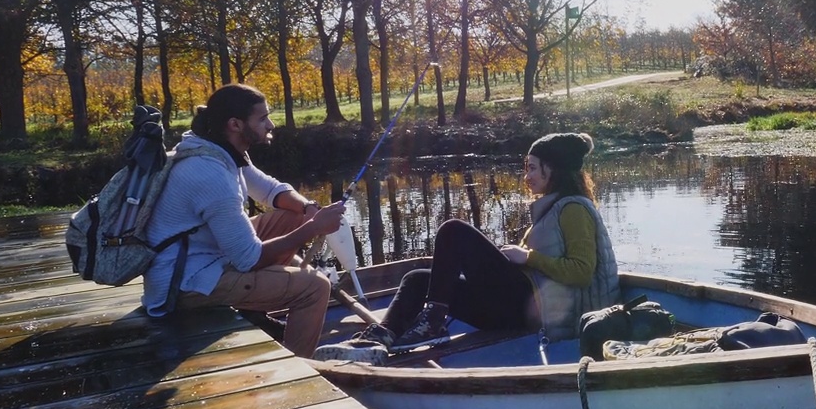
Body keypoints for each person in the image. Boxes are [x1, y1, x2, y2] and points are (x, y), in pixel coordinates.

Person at [142, 83, 346, 357]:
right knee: (315, 287)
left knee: (292, 215)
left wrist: (309, 209)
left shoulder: (215, 147)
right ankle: (303, 369)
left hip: (201, 256)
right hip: (184, 284)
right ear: (236, 124)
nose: (270, 124)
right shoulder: (211, 175)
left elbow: (271, 190)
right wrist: (315, 228)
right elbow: (248, 259)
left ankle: (256, 316)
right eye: (262, 118)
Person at [367, 132, 620, 352]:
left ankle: (431, 324)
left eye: (532, 167)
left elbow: (582, 273)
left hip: (538, 310)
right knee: (417, 279)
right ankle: (380, 339)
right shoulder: (552, 208)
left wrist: (528, 257)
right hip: (519, 306)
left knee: (454, 231)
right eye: (526, 168)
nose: (526, 176)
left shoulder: (574, 209)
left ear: (552, 168)